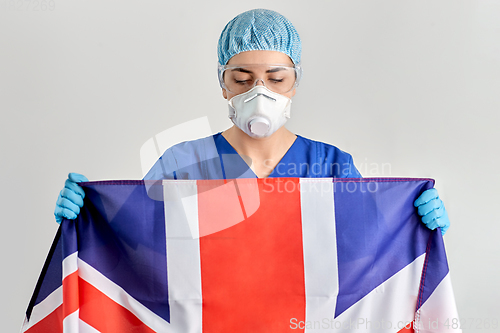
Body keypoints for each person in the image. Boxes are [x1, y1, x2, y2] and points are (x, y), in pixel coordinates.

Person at [53, 9, 450, 235]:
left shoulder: (332, 167)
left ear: (295, 83)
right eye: (242, 79)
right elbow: (138, 244)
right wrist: (90, 217)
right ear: (223, 85)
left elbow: (368, 248)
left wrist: (411, 222)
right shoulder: (181, 165)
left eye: (276, 79)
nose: (259, 93)